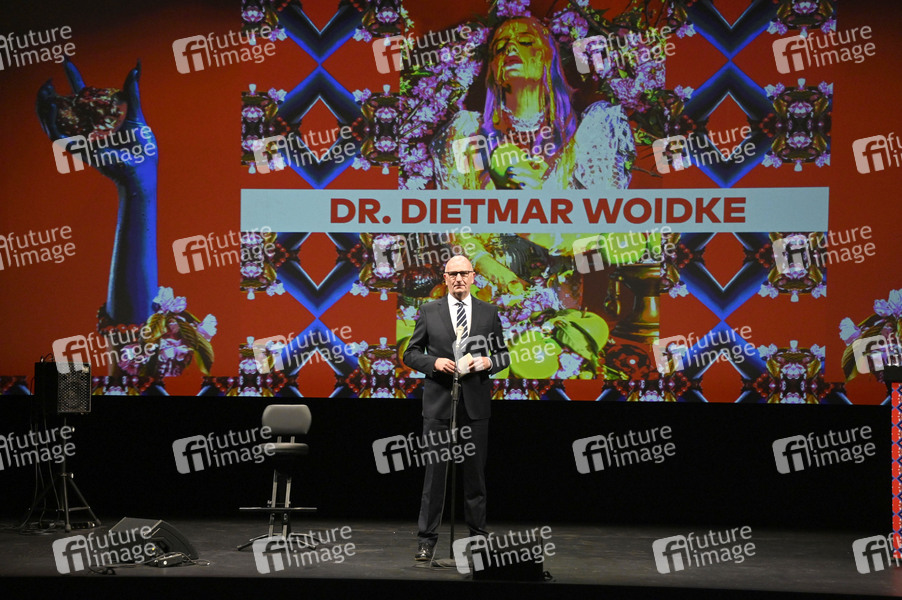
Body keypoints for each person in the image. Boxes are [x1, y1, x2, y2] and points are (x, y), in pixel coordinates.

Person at [431, 15, 635, 190]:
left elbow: (602, 213)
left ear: (548, 58)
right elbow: (456, 218)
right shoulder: (467, 133)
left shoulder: (592, 131)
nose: (509, 47)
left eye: (526, 42)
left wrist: (543, 199)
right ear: (492, 70)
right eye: (499, 47)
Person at [403, 255, 510, 561]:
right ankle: (426, 541)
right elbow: (410, 353)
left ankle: (478, 540)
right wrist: (434, 362)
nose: (459, 278)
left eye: (464, 273)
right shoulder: (429, 311)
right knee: (434, 478)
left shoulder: (489, 312)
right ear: (445, 278)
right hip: (439, 406)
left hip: (475, 406)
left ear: (473, 276)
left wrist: (487, 362)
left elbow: (503, 355)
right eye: (453, 274)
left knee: (475, 478)